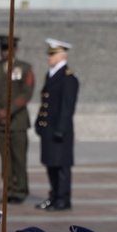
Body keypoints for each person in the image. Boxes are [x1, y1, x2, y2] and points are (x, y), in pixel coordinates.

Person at [0, 34, 35, 204]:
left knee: (19, 158)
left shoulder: (25, 68)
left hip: (17, 121)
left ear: (15, 50)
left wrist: (8, 111)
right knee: (5, 160)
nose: (4, 52)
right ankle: (8, 190)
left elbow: (27, 93)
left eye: (8, 49)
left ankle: (20, 191)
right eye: (2, 49)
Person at [34, 38, 78, 211]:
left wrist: (60, 129)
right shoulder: (51, 74)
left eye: (52, 54)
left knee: (61, 167)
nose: (48, 57)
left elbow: (67, 107)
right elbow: (46, 102)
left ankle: (63, 198)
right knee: (51, 164)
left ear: (61, 55)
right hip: (49, 128)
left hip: (60, 130)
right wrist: (40, 122)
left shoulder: (68, 78)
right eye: (48, 54)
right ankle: (53, 196)